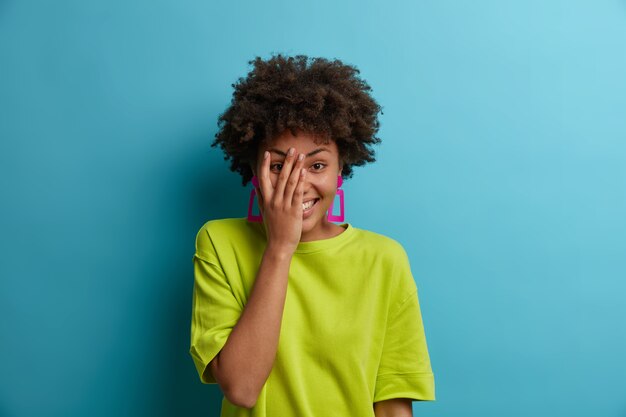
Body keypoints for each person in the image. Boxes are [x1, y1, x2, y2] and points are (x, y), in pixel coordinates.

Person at [189, 54, 435, 417]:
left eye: (316, 165)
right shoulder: (219, 242)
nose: (297, 184)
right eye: (278, 166)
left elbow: (393, 405)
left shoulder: (384, 259)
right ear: (254, 169)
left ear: (340, 169)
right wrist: (280, 247)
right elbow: (241, 387)